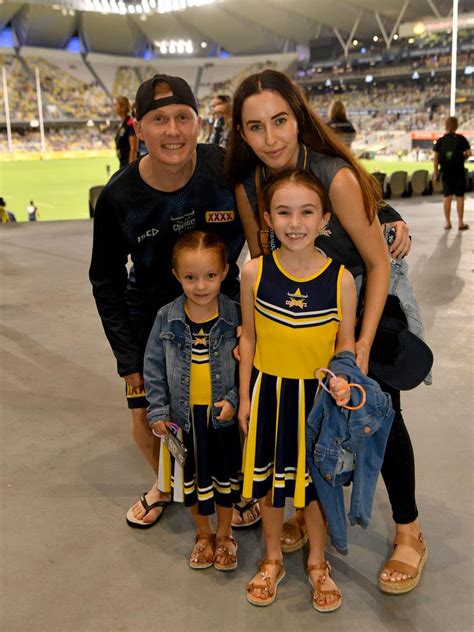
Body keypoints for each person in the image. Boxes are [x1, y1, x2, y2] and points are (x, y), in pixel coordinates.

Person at [226, 69, 426, 595]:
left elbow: (378, 264)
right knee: (301, 419)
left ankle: (408, 530)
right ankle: (302, 506)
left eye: (280, 121)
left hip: (359, 292)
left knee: (377, 411)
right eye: (255, 127)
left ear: (299, 117)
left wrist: (358, 345)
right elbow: (262, 261)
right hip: (301, 307)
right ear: (241, 134)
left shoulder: (334, 175)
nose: (270, 138)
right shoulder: (249, 186)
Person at [89, 74, 258, 531]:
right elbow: (104, 281)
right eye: (159, 119)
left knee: (238, 403)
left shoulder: (226, 168)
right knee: (146, 414)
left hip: (225, 312)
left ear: (198, 123)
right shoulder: (119, 197)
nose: (173, 131)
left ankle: (235, 483)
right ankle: (165, 484)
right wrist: (129, 361)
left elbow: (296, 179)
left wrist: (383, 212)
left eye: (183, 117)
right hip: (151, 319)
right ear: (139, 128)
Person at [239, 169, 355, 610]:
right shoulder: (253, 273)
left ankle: (317, 563)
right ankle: (271, 559)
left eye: (307, 212)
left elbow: (344, 345)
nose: (295, 222)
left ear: (325, 219)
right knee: (271, 486)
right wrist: (246, 396)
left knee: (317, 491)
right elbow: (248, 339)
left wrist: (343, 384)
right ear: (267, 218)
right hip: (269, 396)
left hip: (318, 405)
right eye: (284, 212)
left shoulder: (341, 279)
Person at [144, 231, 242, 570]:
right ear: (176, 276)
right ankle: (203, 534)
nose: (201, 286)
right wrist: (157, 410)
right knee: (188, 484)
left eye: (210, 276)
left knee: (224, 482)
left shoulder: (236, 316)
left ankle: (226, 533)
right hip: (179, 422)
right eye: (190, 277)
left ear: (225, 271)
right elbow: (153, 366)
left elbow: (251, 364)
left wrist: (234, 399)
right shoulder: (166, 318)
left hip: (221, 419)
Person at [433, 116, 471, 231]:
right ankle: (460, 222)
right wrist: (461, 159)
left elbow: (435, 159)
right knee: (460, 196)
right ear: (456, 126)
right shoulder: (461, 139)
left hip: (446, 171)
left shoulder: (440, 140)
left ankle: (448, 222)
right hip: (459, 171)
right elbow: (469, 153)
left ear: (446, 126)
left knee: (447, 196)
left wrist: (436, 173)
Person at [113, 96, 138, 169]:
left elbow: (133, 148)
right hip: (122, 162)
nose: (114, 108)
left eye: (116, 105)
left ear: (123, 107)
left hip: (127, 164)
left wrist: (129, 168)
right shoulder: (122, 123)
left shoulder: (130, 123)